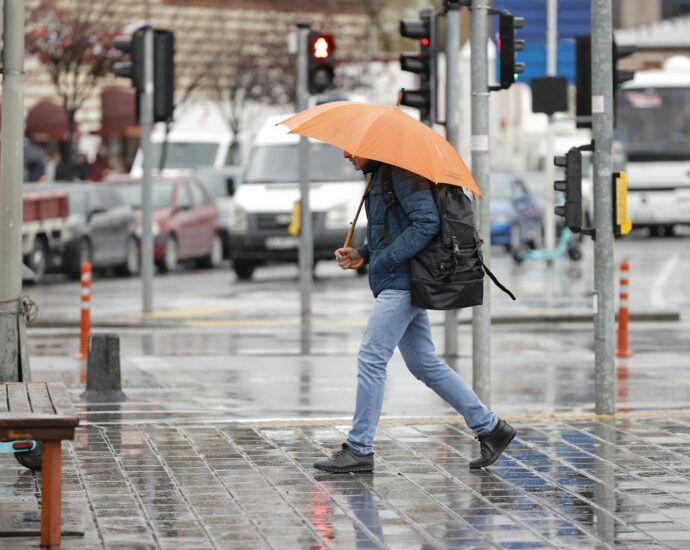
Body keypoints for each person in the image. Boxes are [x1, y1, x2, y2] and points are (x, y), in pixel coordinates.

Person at [313, 152, 516, 474]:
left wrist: (385, 260)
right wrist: (362, 255)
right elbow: (393, 230)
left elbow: (427, 222)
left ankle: (359, 448)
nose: (347, 155)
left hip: (402, 282)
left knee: (371, 357)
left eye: (353, 149)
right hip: (398, 279)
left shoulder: (401, 174)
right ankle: (491, 428)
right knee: (424, 362)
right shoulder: (380, 177)